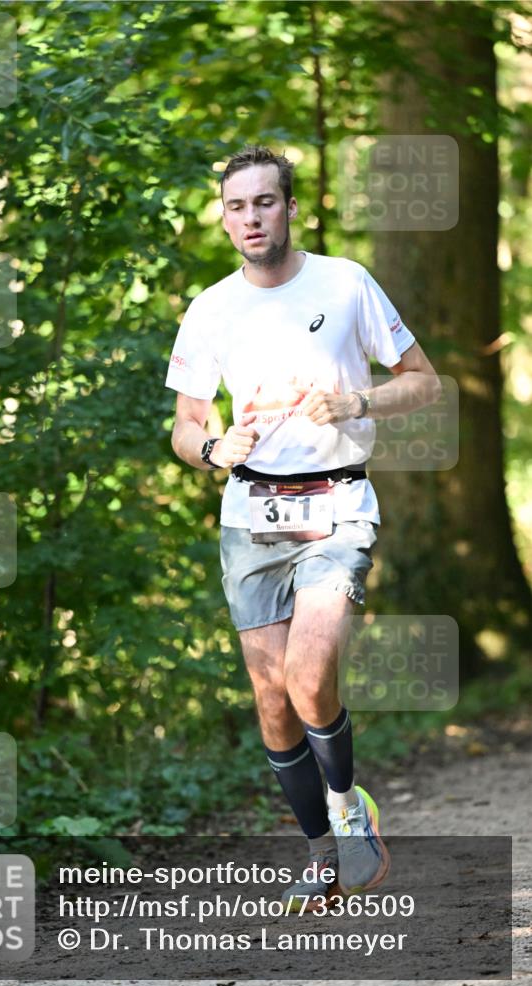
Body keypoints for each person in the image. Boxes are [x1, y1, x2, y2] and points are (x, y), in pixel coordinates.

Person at [165, 145, 441, 907]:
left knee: (309, 675)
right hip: (250, 512)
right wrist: (215, 448)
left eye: (263, 202)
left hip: (337, 505)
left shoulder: (345, 283)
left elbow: (424, 381)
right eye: (236, 207)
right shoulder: (210, 308)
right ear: (223, 218)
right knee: (271, 698)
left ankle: (350, 808)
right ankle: (321, 851)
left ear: (290, 207)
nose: (250, 218)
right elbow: (185, 425)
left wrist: (358, 404)